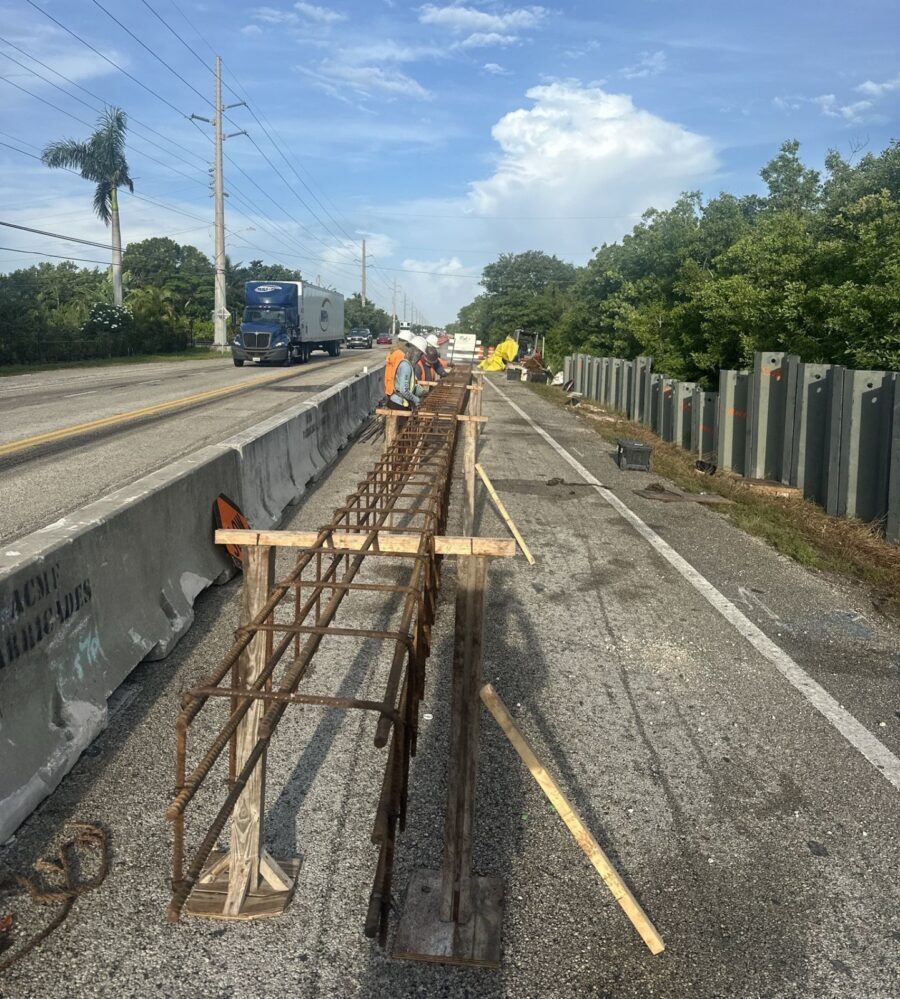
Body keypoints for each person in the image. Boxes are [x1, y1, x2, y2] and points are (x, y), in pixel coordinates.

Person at [387, 334, 428, 410]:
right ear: (415, 351)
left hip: (400, 402)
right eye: (420, 354)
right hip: (398, 404)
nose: (420, 358)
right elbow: (404, 390)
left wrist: (422, 392)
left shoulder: (409, 365)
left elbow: (411, 386)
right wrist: (417, 400)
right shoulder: (406, 366)